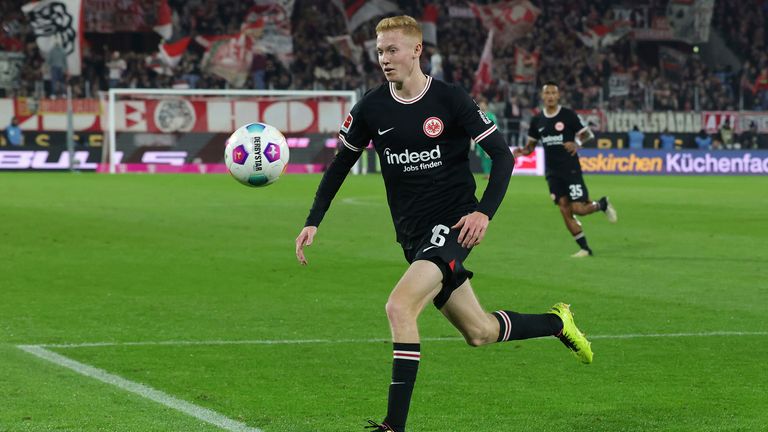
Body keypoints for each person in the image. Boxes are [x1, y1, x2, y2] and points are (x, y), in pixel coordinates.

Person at [294, 16, 593, 432]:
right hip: (413, 236)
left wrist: (483, 212)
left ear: (417, 50)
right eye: (380, 51)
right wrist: (314, 220)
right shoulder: (371, 107)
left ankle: (393, 426)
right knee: (480, 332)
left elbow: (503, 156)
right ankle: (557, 322)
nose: (384, 58)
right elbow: (340, 164)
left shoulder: (450, 99)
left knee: (399, 306)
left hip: (452, 225)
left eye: (392, 49)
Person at [513, 81, 617, 258]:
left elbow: (587, 135)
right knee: (564, 208)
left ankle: (602, 204)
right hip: (552, 173)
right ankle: (585, 248)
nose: (551, 96)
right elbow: (531, 146)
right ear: (543, 96)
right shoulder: (537, 120)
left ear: (558, 96)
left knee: (579, 209)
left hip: (571, 169)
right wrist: (522, 152)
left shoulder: (568, 115)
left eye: (554, 93)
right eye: (548, 93)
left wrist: (576, 143)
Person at [474, 98, 496, 179]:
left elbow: (495, 127)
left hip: (489, 139)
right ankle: (486, 174)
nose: (482, 106)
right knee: (483, 158)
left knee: (489, 158)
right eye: (481, 105)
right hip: (479, 139)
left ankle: (490, 174)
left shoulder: (491, 116)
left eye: (483, 105)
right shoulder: (476, 115)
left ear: (486, 106)